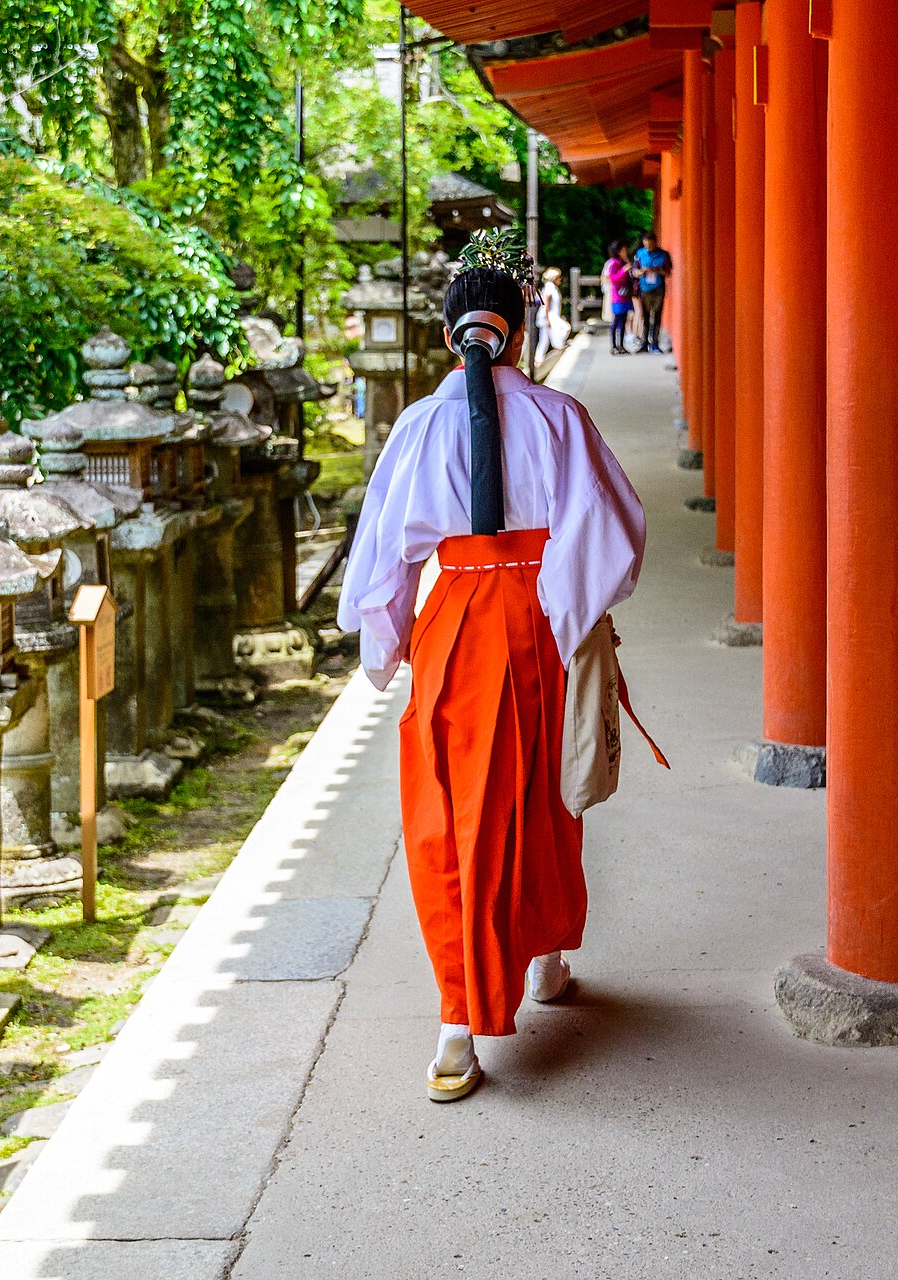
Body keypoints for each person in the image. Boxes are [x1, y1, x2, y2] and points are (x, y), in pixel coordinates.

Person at [338, 233, 646, 1103]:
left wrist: (386, 646)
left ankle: (456, 1027)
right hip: (540, 623)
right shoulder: (559, 419)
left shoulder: (419, 426)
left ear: (451, 337)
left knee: (453, 820)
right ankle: (542, 959)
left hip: (455, 628)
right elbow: (614, 537)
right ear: (518, 335)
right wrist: (568, 614)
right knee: (543, 797)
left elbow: (384, 559)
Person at [633, 231, 672, 353]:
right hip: (644, 288)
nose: (648, 247)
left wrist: (658, 271)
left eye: (650, 245)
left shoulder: (664, 255)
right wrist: (641, 272)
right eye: (646, 245)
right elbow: (635, 271)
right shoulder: (639, 254)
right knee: (645, 316)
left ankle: (654, 342)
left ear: (655, 243)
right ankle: (644, 343)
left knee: (656, 315)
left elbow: (668, 272)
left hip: (658, 288)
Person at [601, 240, 634, 354]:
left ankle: (621, 345)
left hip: (625, 295)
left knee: (623, 320)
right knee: (617, 321)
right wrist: (623, 271)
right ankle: (614, 345)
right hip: (618, 295)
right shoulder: (614, 263)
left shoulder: (623, 262)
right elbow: (613, 278)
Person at [535, 266, 571, 365]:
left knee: (544, 339)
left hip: (551, 316)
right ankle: (556, 347)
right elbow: (546, 301)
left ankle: (540, 359)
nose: (560, 279)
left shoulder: (552, 287)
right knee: (565, 328)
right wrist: (547, 318)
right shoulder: (550, 286)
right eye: (558, 277)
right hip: (549, 316)